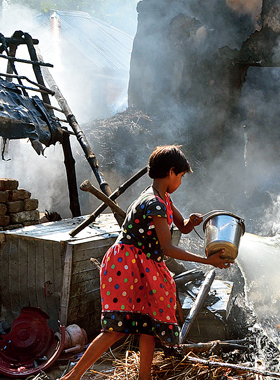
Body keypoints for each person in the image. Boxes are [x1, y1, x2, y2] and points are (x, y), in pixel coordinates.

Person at [61, 145, 230, 380]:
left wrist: (191, 222)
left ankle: (144, 377)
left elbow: (182, 227)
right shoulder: (155, 204)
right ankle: (72, 377)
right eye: (180, 176)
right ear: (171, 172)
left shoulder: (163, 199)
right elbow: (167, 247)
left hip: (142, 265)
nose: (180, 181)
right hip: (126, 266)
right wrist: (205, 260)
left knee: (149, 326)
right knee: (116, 330)